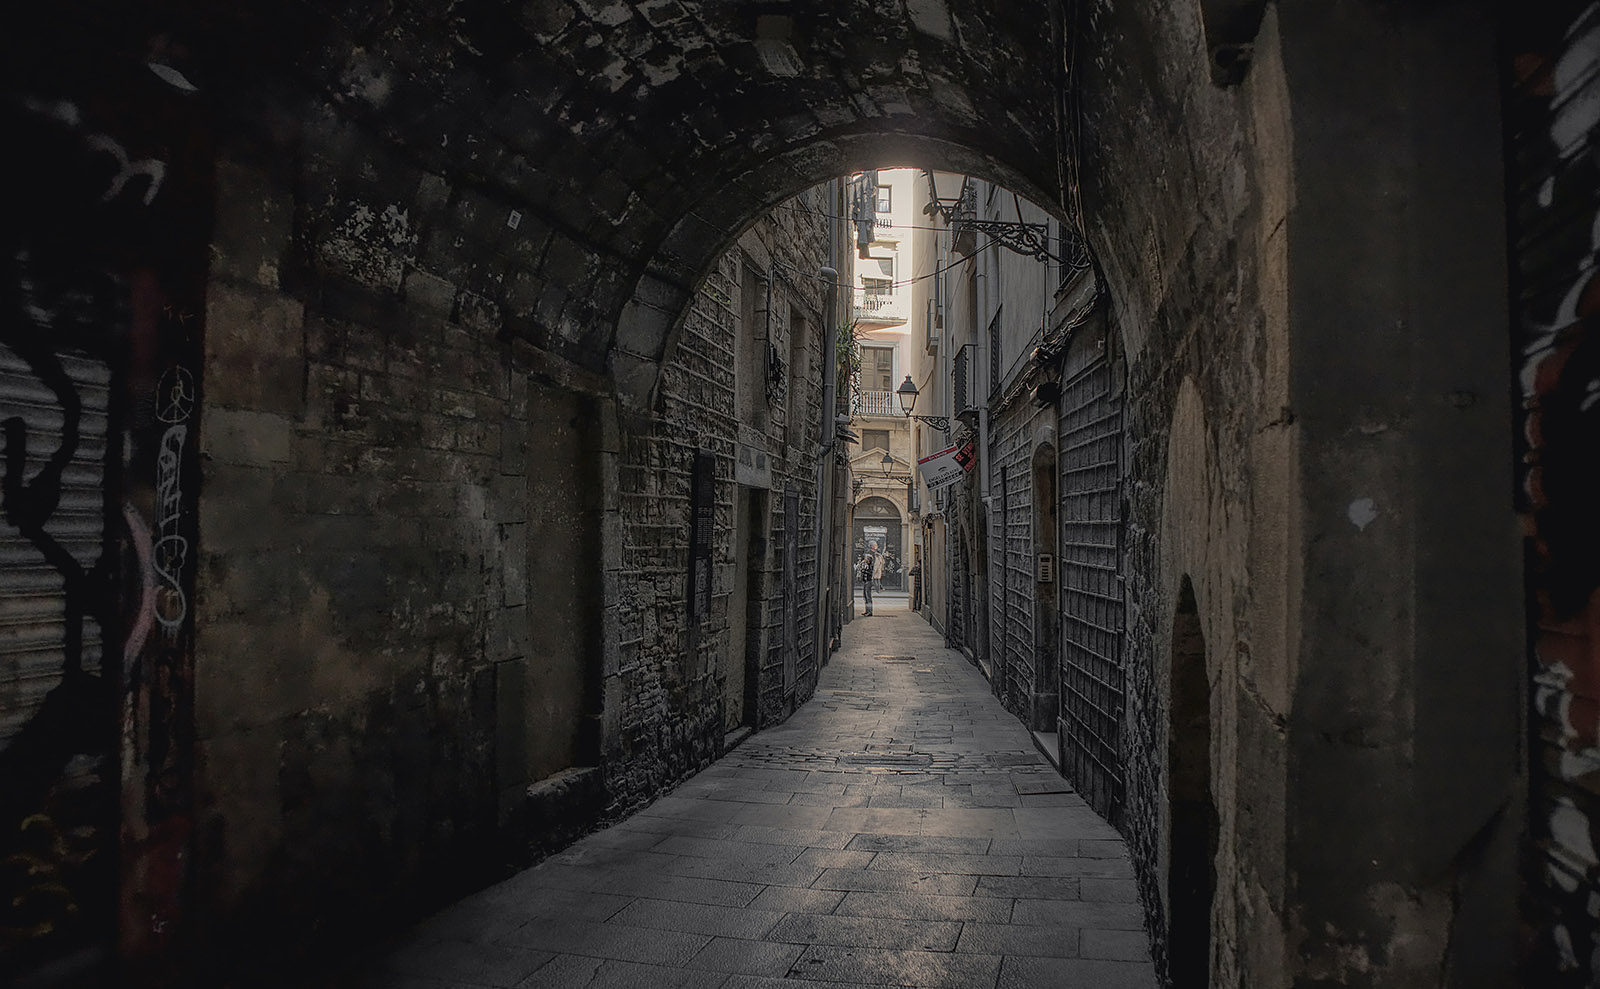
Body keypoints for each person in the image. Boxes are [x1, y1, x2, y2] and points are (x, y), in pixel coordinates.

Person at [860, 543, 877, 615]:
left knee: (868, 597)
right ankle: (867, 610)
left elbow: (869, 573)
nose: (865, 560)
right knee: (865, 597)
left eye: (867, 559)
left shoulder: (870, 566)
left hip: (868, 582)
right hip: (865, 582)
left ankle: (870, 611)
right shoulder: (866, 565)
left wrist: (864, 571)